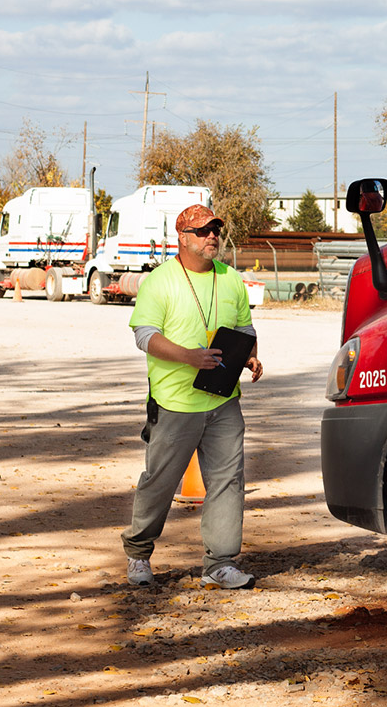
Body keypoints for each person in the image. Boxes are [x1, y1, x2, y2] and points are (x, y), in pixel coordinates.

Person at [122, 204, 263, 590]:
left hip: (223, 399)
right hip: (174, 402)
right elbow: (144, 335)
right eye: (203, 231)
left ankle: (220, 563)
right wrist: (189, 357)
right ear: (182, 237)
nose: (212, 236)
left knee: (227, 481)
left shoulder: (230, 279)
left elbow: (245, 328)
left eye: (216, 229)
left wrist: (250, 355)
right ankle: (138, 553)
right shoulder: (160, 281)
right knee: (160, 482)